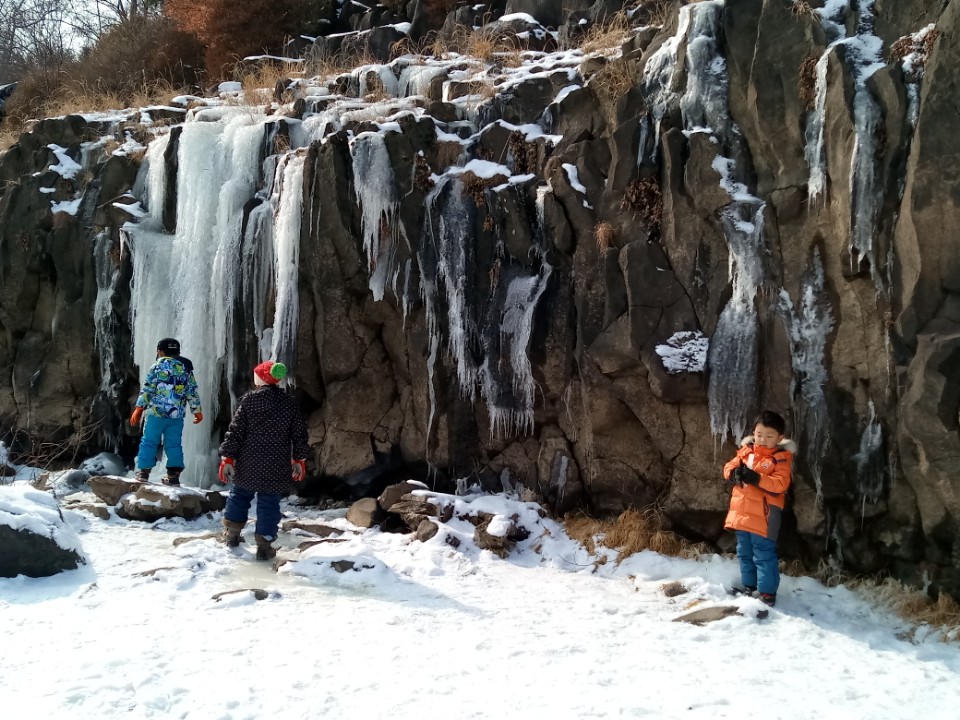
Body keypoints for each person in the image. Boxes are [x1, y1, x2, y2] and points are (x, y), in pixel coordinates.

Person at [218, 360, 310, 560]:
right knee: (269, 503)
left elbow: (236, 432)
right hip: (276, 464)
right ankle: (264, 545)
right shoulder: (289, 403)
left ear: (260, 378)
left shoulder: (249, 400)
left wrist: (228, 458)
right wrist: (299, 459)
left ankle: (232, 535)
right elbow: (299, 435)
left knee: (240, 496)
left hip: (248, 460)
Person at [722, 410, 796, 607]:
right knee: (744, 552)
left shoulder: (780, 458)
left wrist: (757, 478)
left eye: (769, 436)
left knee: (763, 554)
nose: (762, 440)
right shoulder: (746, 451)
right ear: (753, 433)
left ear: (780, 438)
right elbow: (728, 467)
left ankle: (767, 593)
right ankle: (750, 586)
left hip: (764, 516)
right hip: (742, 514)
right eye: (759, 434)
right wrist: (734, 474)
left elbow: (780, 484)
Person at [129, 337, 203, 486]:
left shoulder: (157, 366)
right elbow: (192, 391)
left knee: (149, 441)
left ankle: (143, 472)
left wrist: (139, 408)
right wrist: (197, 411)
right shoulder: (185, 367)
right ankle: (173, 476)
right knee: (174, 444)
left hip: (156, 413)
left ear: (160, 352)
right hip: (176, 416)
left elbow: (148, 388)